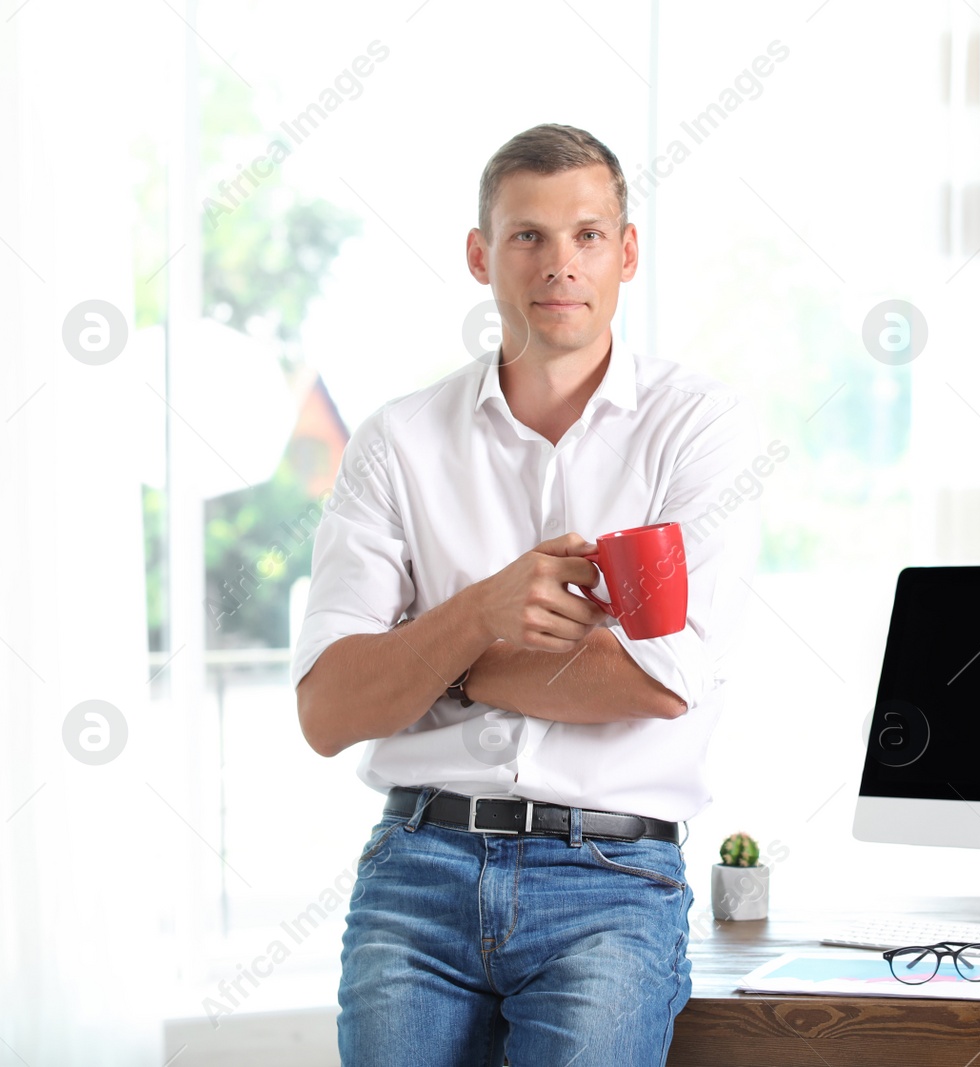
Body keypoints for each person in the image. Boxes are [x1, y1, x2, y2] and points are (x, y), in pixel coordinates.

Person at [292, 123, 760, 1067]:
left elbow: (656, 681)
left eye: (588, 235)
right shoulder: (397, 441)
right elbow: (330, 707)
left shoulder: (695, 429)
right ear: (481, 255)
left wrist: (438, 662)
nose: (560, 264)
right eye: (527, 236)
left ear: (626, 253)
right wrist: (481, 609)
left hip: (611, 881)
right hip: (416, 872)